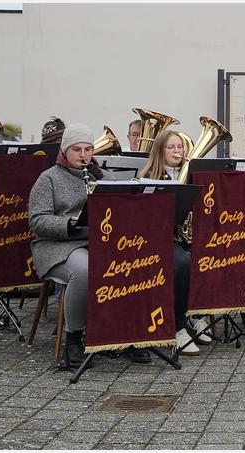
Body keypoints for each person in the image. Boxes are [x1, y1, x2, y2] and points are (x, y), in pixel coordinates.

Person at [28, 124, 163, 369]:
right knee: (85, 271)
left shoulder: (103, 177)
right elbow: (37, 220)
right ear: (64, 150)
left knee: (138, 264)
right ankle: (73, 339)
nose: (83, 155)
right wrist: (71, 224)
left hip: (99, 243)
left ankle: (129, 334)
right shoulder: (48, 178)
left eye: (88, 149)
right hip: (58, 246)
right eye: (77, 149)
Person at [138, 130, 213, 347]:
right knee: (182, 264)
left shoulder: (192, 175)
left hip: (188, 237)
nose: (177, 151)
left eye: (180, 147)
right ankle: (178, 326)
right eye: (171, 147)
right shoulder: (150, 176)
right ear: (160, 151)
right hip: (162, 240)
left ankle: (197, 317)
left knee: (212, 256)